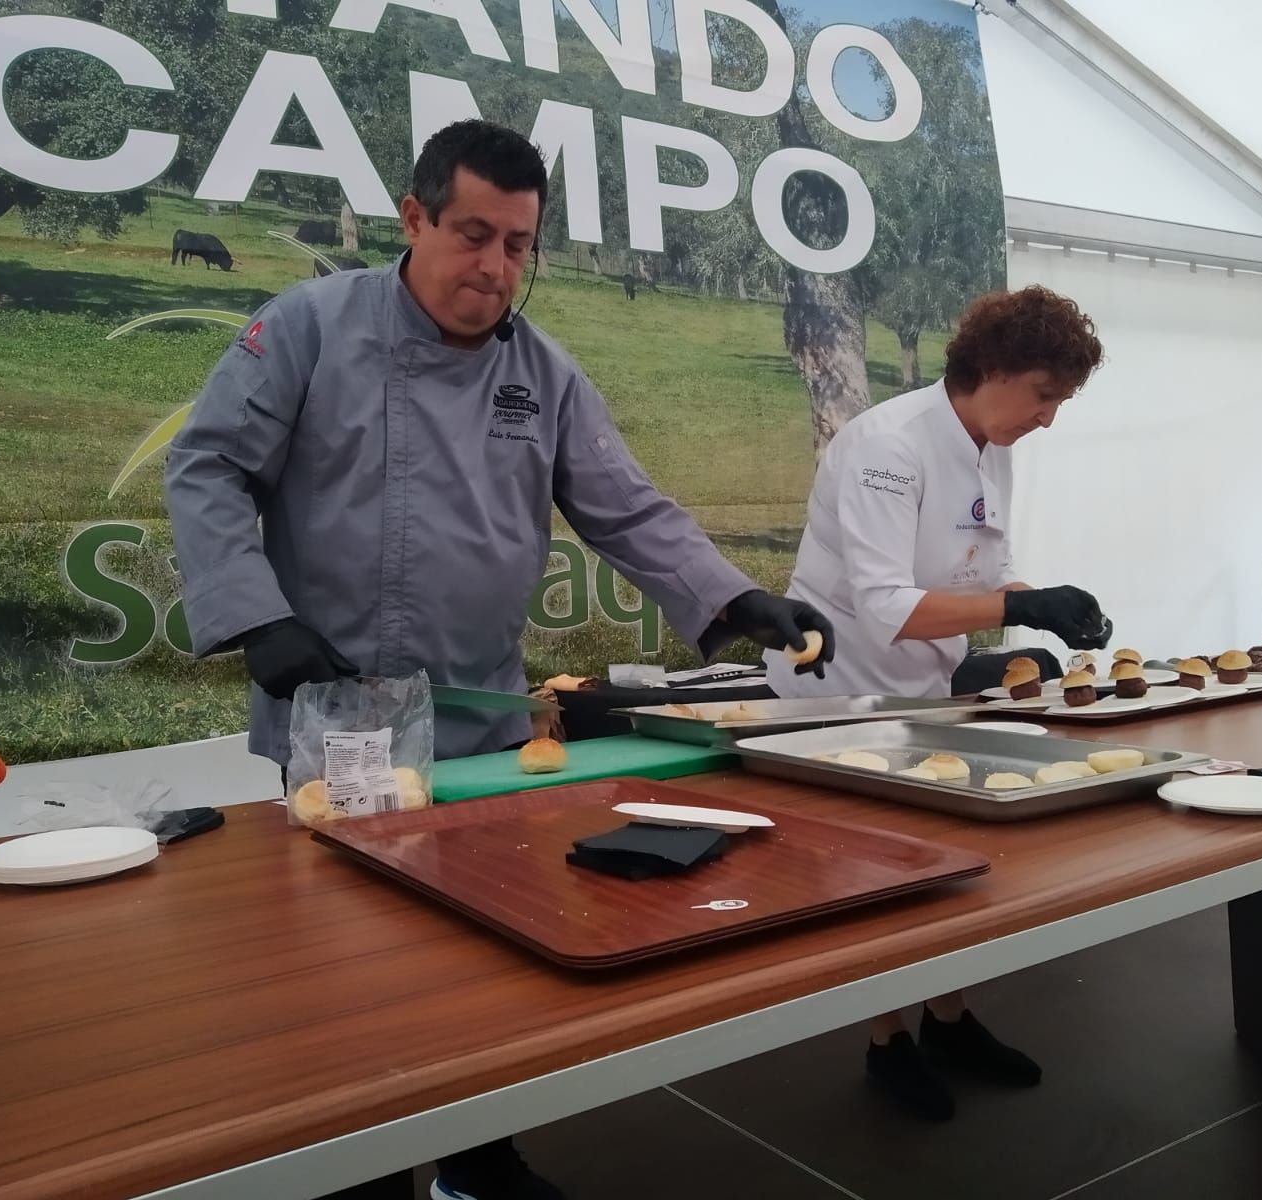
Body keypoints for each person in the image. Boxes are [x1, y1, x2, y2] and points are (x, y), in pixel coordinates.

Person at [165, 119, 835, 1200]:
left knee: (483, 958)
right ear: (414, 217)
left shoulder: (545, 375)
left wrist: (732, 595)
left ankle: (478, 1154)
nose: (496, 269)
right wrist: (256, 616)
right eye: (474, 235)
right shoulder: (306, 328)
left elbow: (627, 507)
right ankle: (361, 1166)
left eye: (520, 245)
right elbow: (206, 469)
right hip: (339, 715)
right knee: (345, 964)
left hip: (479, 725)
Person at [765, 285, 1108, 1121]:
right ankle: (888, 1043)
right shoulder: (887, 445)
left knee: (947, 870)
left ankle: (949, 1019)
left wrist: (1047, 603)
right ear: (992, 370)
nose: (1050, 418)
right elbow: (884, 602)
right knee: (875, 878)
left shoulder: (994, 445)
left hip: (921, 688)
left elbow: (990, 573)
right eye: (1045, 395)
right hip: (838, 691)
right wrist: (1018, 610)